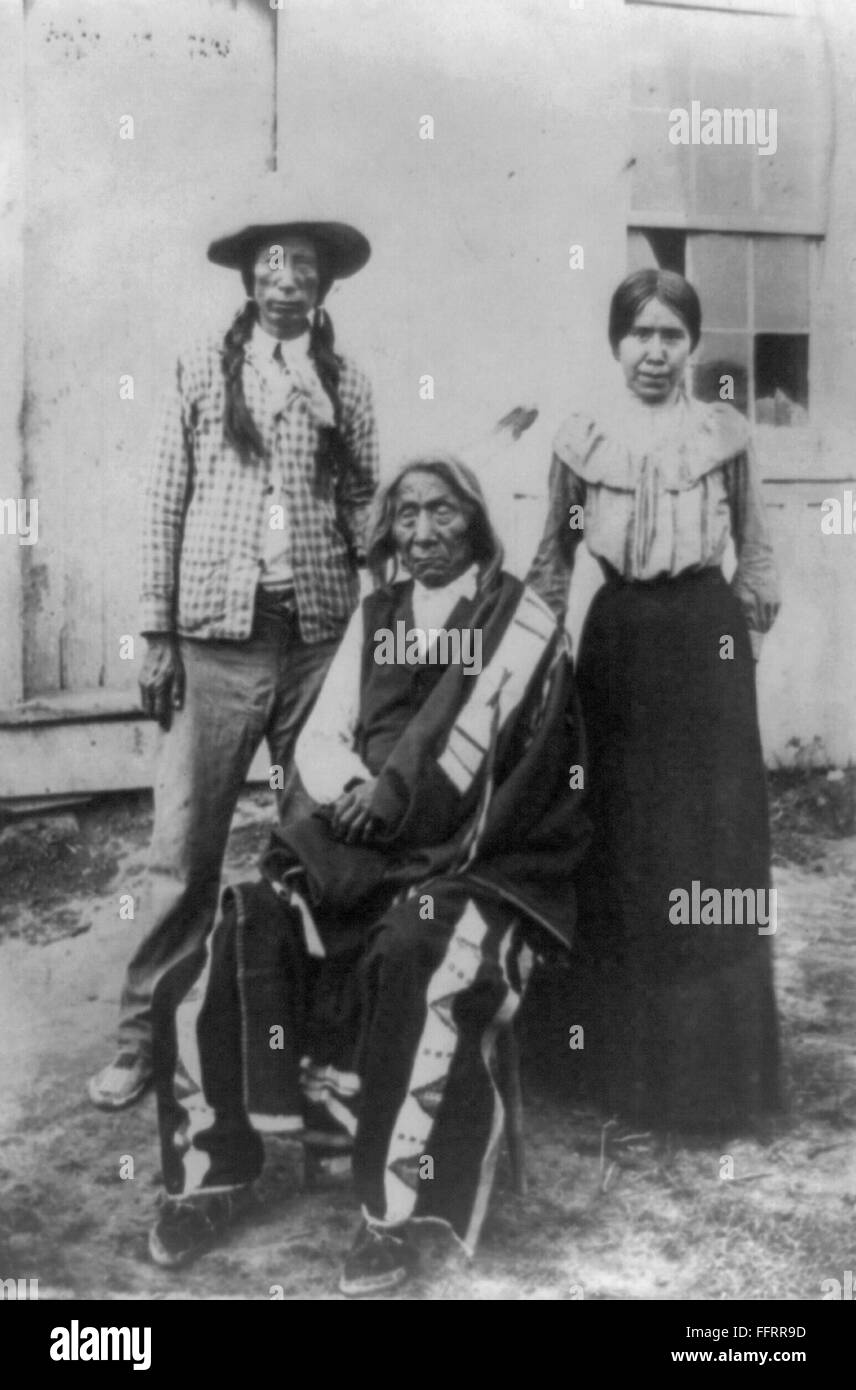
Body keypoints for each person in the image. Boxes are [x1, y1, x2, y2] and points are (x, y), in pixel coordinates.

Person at [147, 457, 590, 1296]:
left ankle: (391, 1211)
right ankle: (212, 1173)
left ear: (476, 524)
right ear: (388, 530)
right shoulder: (377, 615)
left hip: (476, 855)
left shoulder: (519, 625)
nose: (422, 533)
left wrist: (409, 806)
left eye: (443, 514)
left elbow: (534, 777)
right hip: (367, 841)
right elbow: (320, 738)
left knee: (417, 948)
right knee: (243, 924)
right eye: (408, 516)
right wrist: (360, 794)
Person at [88, 188, 378, 1110]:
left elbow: (369, 503)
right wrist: (157, 633)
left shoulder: (347, 381)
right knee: (181, 852)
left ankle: (301, 1044)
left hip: (318, 642)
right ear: (249, 279)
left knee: (315, 842)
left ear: (324, 284)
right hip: (214, 643)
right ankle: (142, 1042)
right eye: (272, 264)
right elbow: (162, 505)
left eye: (304, 266)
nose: (287, 281)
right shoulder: (200, 372)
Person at [527, 268, 781, 1134]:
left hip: (703, 649)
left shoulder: (724, 434)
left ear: (691, 347)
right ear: (616, 342)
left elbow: (759, 552)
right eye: (639, 333)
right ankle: (620, 1074)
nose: (655, 351)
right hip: (620, 646)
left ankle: (714, 1079)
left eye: (672, 334)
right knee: (625, 844)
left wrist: (736, 641)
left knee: (708, 846)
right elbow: (554, 560)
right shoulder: (582, 441)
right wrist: (540, 658)